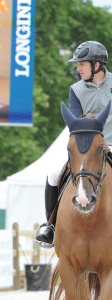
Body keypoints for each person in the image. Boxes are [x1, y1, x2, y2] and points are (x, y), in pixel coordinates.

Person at [35, 40, 112, 248]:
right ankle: (50, 226)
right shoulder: (75, 90)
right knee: (53, 174)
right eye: (78, 65)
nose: (78, 68)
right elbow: (75, 123)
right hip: (85, 145)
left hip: (111, 143)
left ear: (97, 65)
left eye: (82, 64)